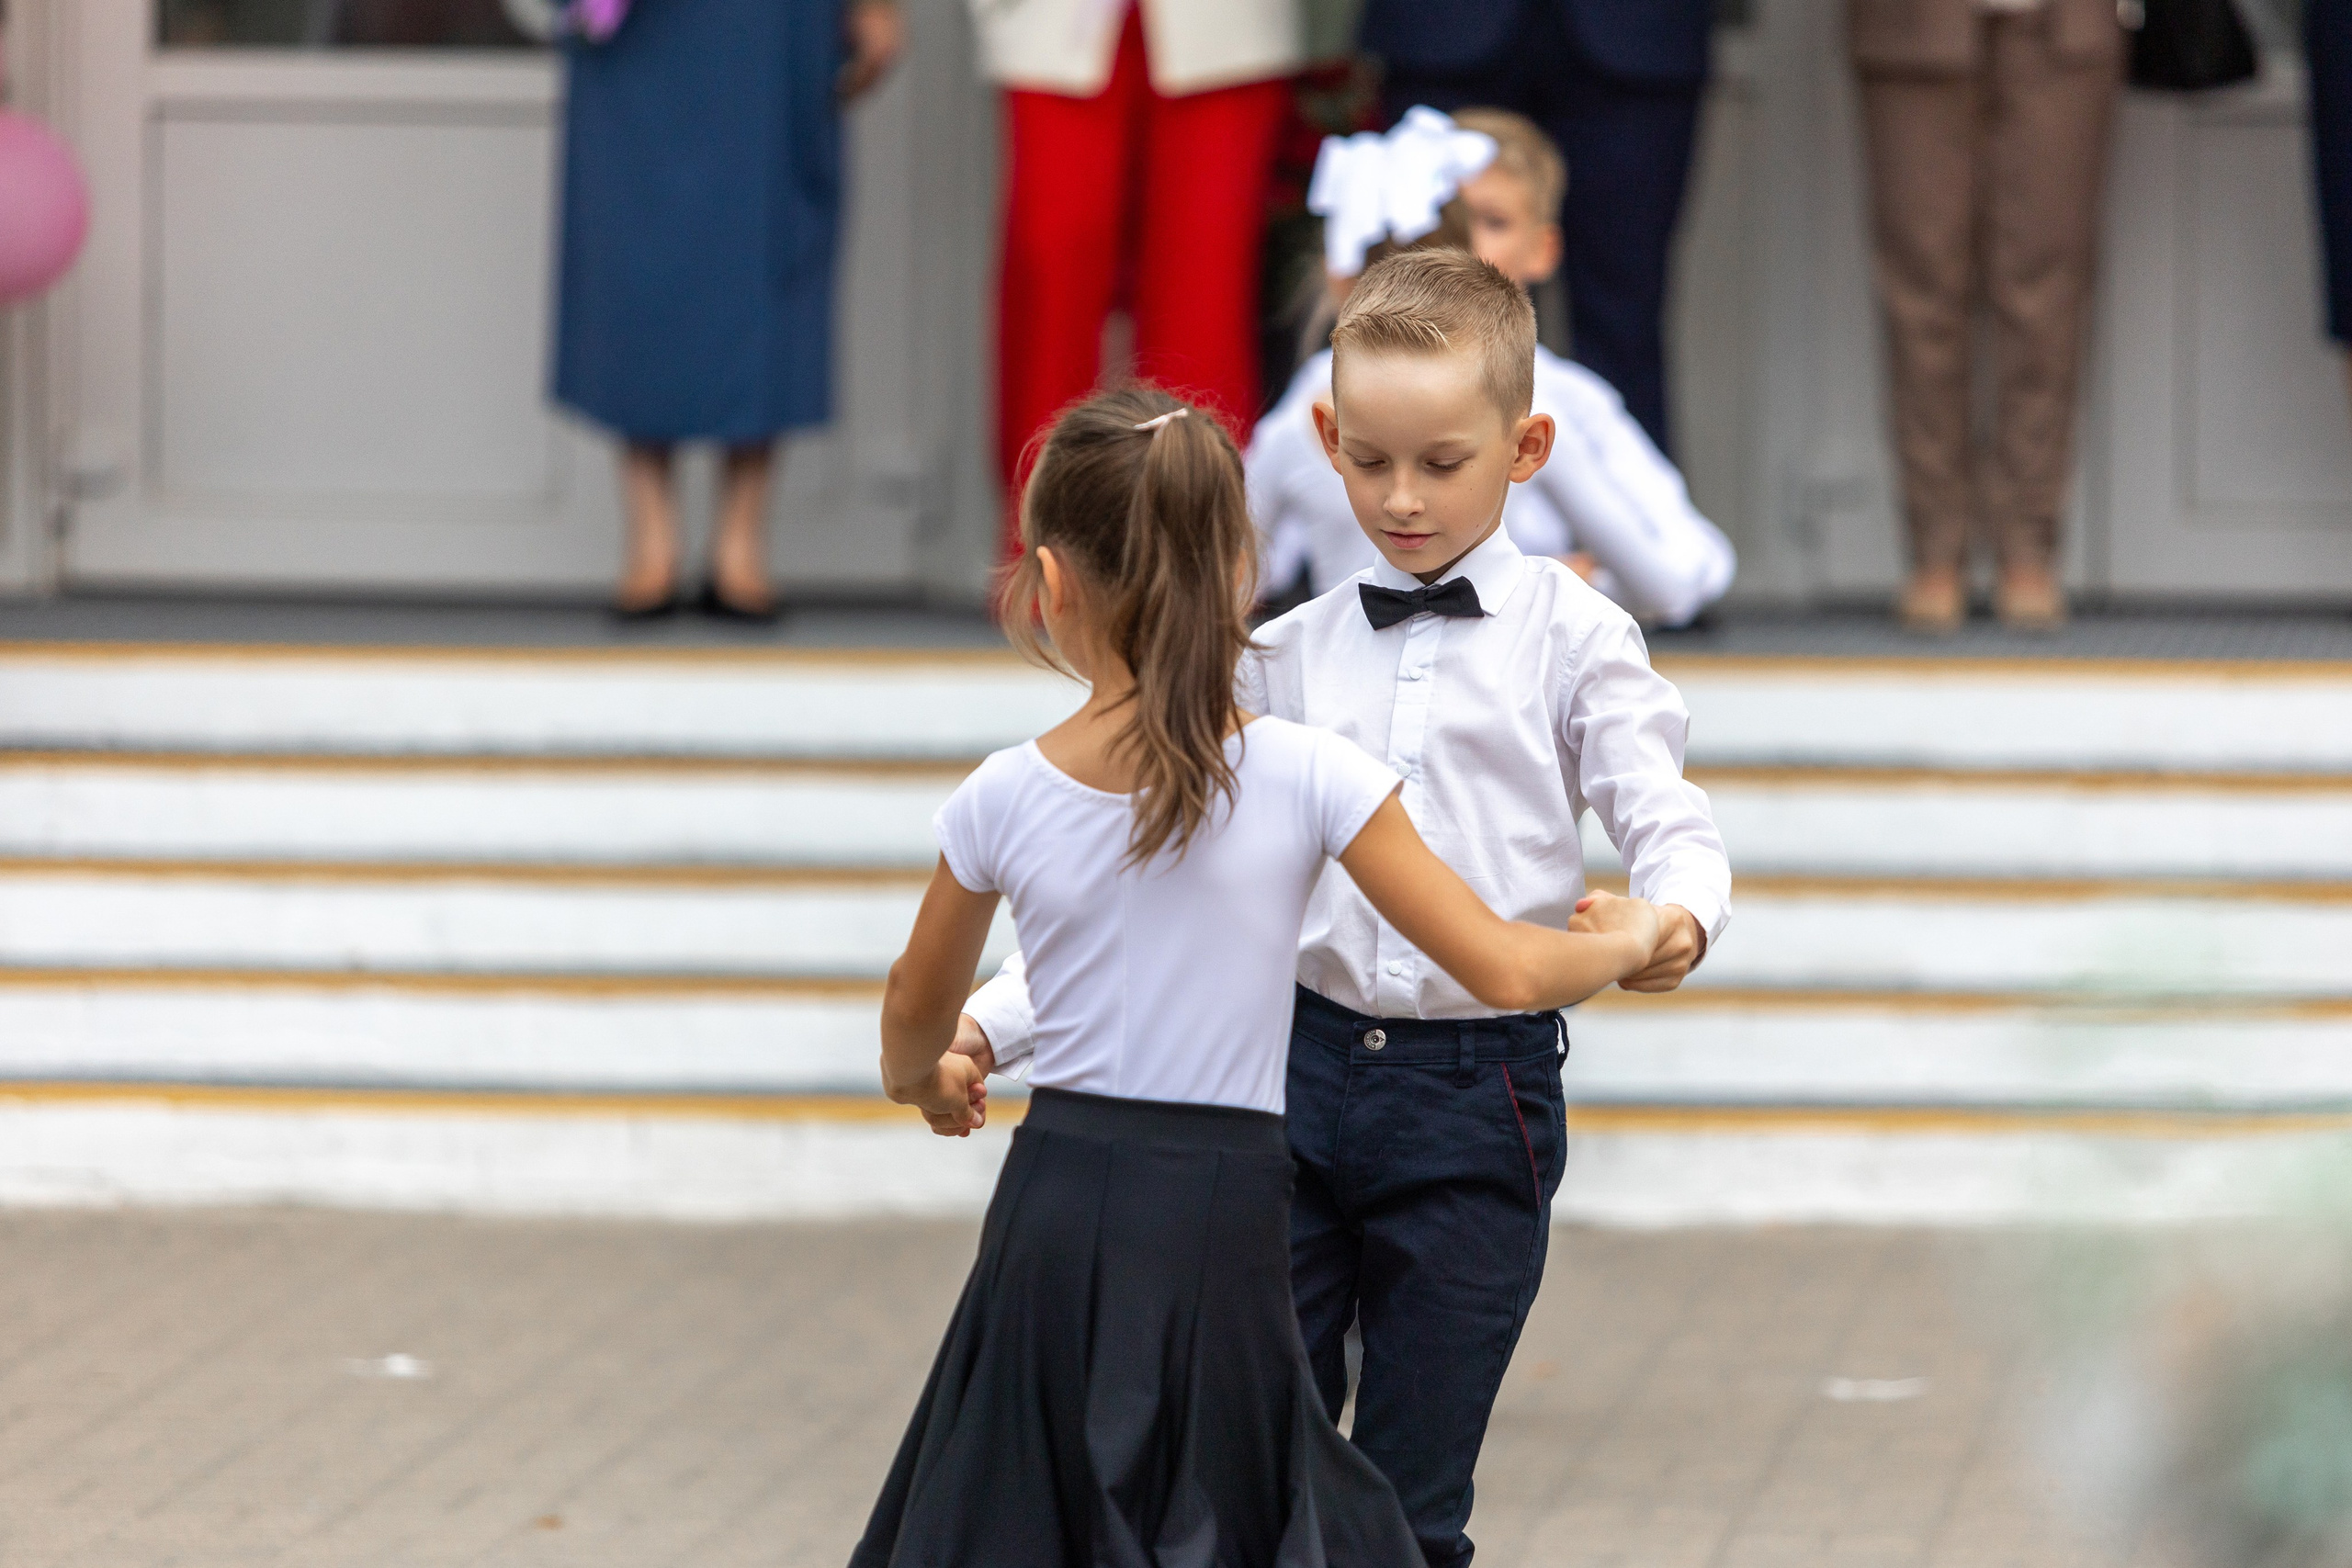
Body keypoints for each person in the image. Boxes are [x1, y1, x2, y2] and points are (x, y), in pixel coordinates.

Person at [958, 252, 1734, 1568]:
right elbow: (1156, 878)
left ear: (1527, 445)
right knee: (1254, 1469)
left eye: (1442, 460)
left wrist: (1670, 920)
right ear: (1324, 438)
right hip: (1289, 1088)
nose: (1400, 497)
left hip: (1475, 1101)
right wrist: (996, 1019)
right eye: (1368, 460)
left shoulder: (1579, 636)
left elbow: (1668, 814)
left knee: (1412, 1499)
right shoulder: (1280, 655)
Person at [1252, 106, 1735, 626]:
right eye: (1369, 460)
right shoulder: (1537, 405)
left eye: (1494, 221)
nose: (1403, 499)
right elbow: (1244, 566)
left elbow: (1686, 570)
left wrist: (1564, 582)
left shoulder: (1310, 403)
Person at [552, 0, 903, 620]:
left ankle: (740, 541)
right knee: (635, 239)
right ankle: (651, 534)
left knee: (769, 235)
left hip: (774, 23)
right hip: (637, 24)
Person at [974, 0, 1303, 558]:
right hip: (1053, 21)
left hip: (1226, 25)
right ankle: (1048, 547)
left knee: (1204, 296)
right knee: (1053, 281)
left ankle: (1203, 549)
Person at [1849, 0, 2122, 633]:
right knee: (1921, 285)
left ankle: (2029, 542)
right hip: (1911, 24)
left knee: (2046, 284)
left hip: (2063, 25)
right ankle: (1933, 547)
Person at [1357, 0, 1715, 457]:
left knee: (1626, 328)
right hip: (1442, 28)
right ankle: (1429, 518)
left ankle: (1629, 525)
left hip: (1640, 30)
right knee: (1434, 314)